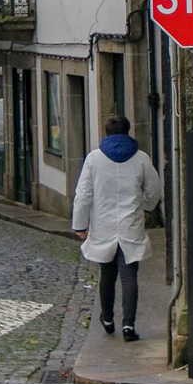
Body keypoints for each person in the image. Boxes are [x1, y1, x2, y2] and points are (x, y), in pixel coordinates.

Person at [72, 115, 162, 342]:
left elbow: (83, 195)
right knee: (129, 275)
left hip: (103, 224)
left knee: (107, 273)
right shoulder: (141, 158)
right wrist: (147, 206)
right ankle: (129, 325)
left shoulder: (94, 159)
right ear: (128, 131)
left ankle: (108, 318)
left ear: (106, 132)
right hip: (130, 223)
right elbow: (154, 189)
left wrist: (80, 225)